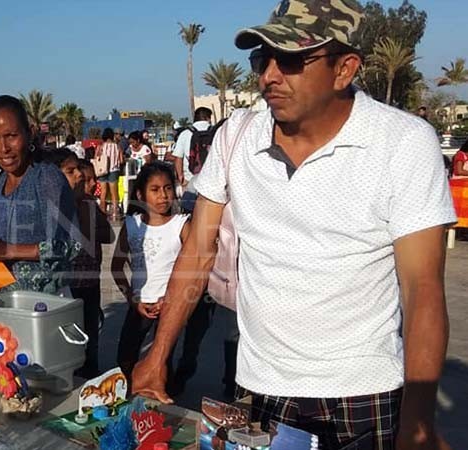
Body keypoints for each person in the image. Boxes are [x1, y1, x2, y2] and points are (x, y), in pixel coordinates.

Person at [132, 1, 455, 448]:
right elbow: (199, 250)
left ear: (345, 69)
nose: (268, 76)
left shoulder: (401, 143)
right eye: (262, 60)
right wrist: (158, 353)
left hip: (362, 395)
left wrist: (418, 423)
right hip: (259, 388)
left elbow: (422, 289)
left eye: (291, 61)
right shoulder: (237, 136)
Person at [0, 95, 80, 294]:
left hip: (45, 304)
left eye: (11, 136)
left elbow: (71, 246)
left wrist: (7, 250)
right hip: (9, 300)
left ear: (29, 133)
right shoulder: (1, 183)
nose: (4, 148)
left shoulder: (46, 178)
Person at [113, 162, 190, 382]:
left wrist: (170, 299)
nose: (163, 196)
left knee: (162, 361)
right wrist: (132, 299)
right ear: (140, 193)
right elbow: (116, 267)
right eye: (155, 190)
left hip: (169, 307)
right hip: (139, 305)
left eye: (167, 188)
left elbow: (193, 268)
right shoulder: (132, 225)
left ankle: (162, 406)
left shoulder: (181, 225)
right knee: (125, 359)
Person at [45, 151, 115, 378]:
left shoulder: (89, 206)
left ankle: (91, 373)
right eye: (73, 173)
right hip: (65, 285)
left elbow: (108, 236)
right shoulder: (53, 207)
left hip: (90, 281)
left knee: (90, 331)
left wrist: (89, 225)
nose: (89, 182)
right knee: (67, 334)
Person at [171, 107, 214, 212]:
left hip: (189, 179)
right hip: (211, 180)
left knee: (189, 211)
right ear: (208, 118)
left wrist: (181, 177)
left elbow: (178, 157)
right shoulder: (215, 131)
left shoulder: (185, 134)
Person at [96, 128, 124, 220]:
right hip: (113, 170)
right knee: (114, 194)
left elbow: (96, 158)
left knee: (103, 193)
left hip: (102, 171)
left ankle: (102, 214)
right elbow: (121, 160)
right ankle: (115, 214)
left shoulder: (100, 147)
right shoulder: (117, 146)